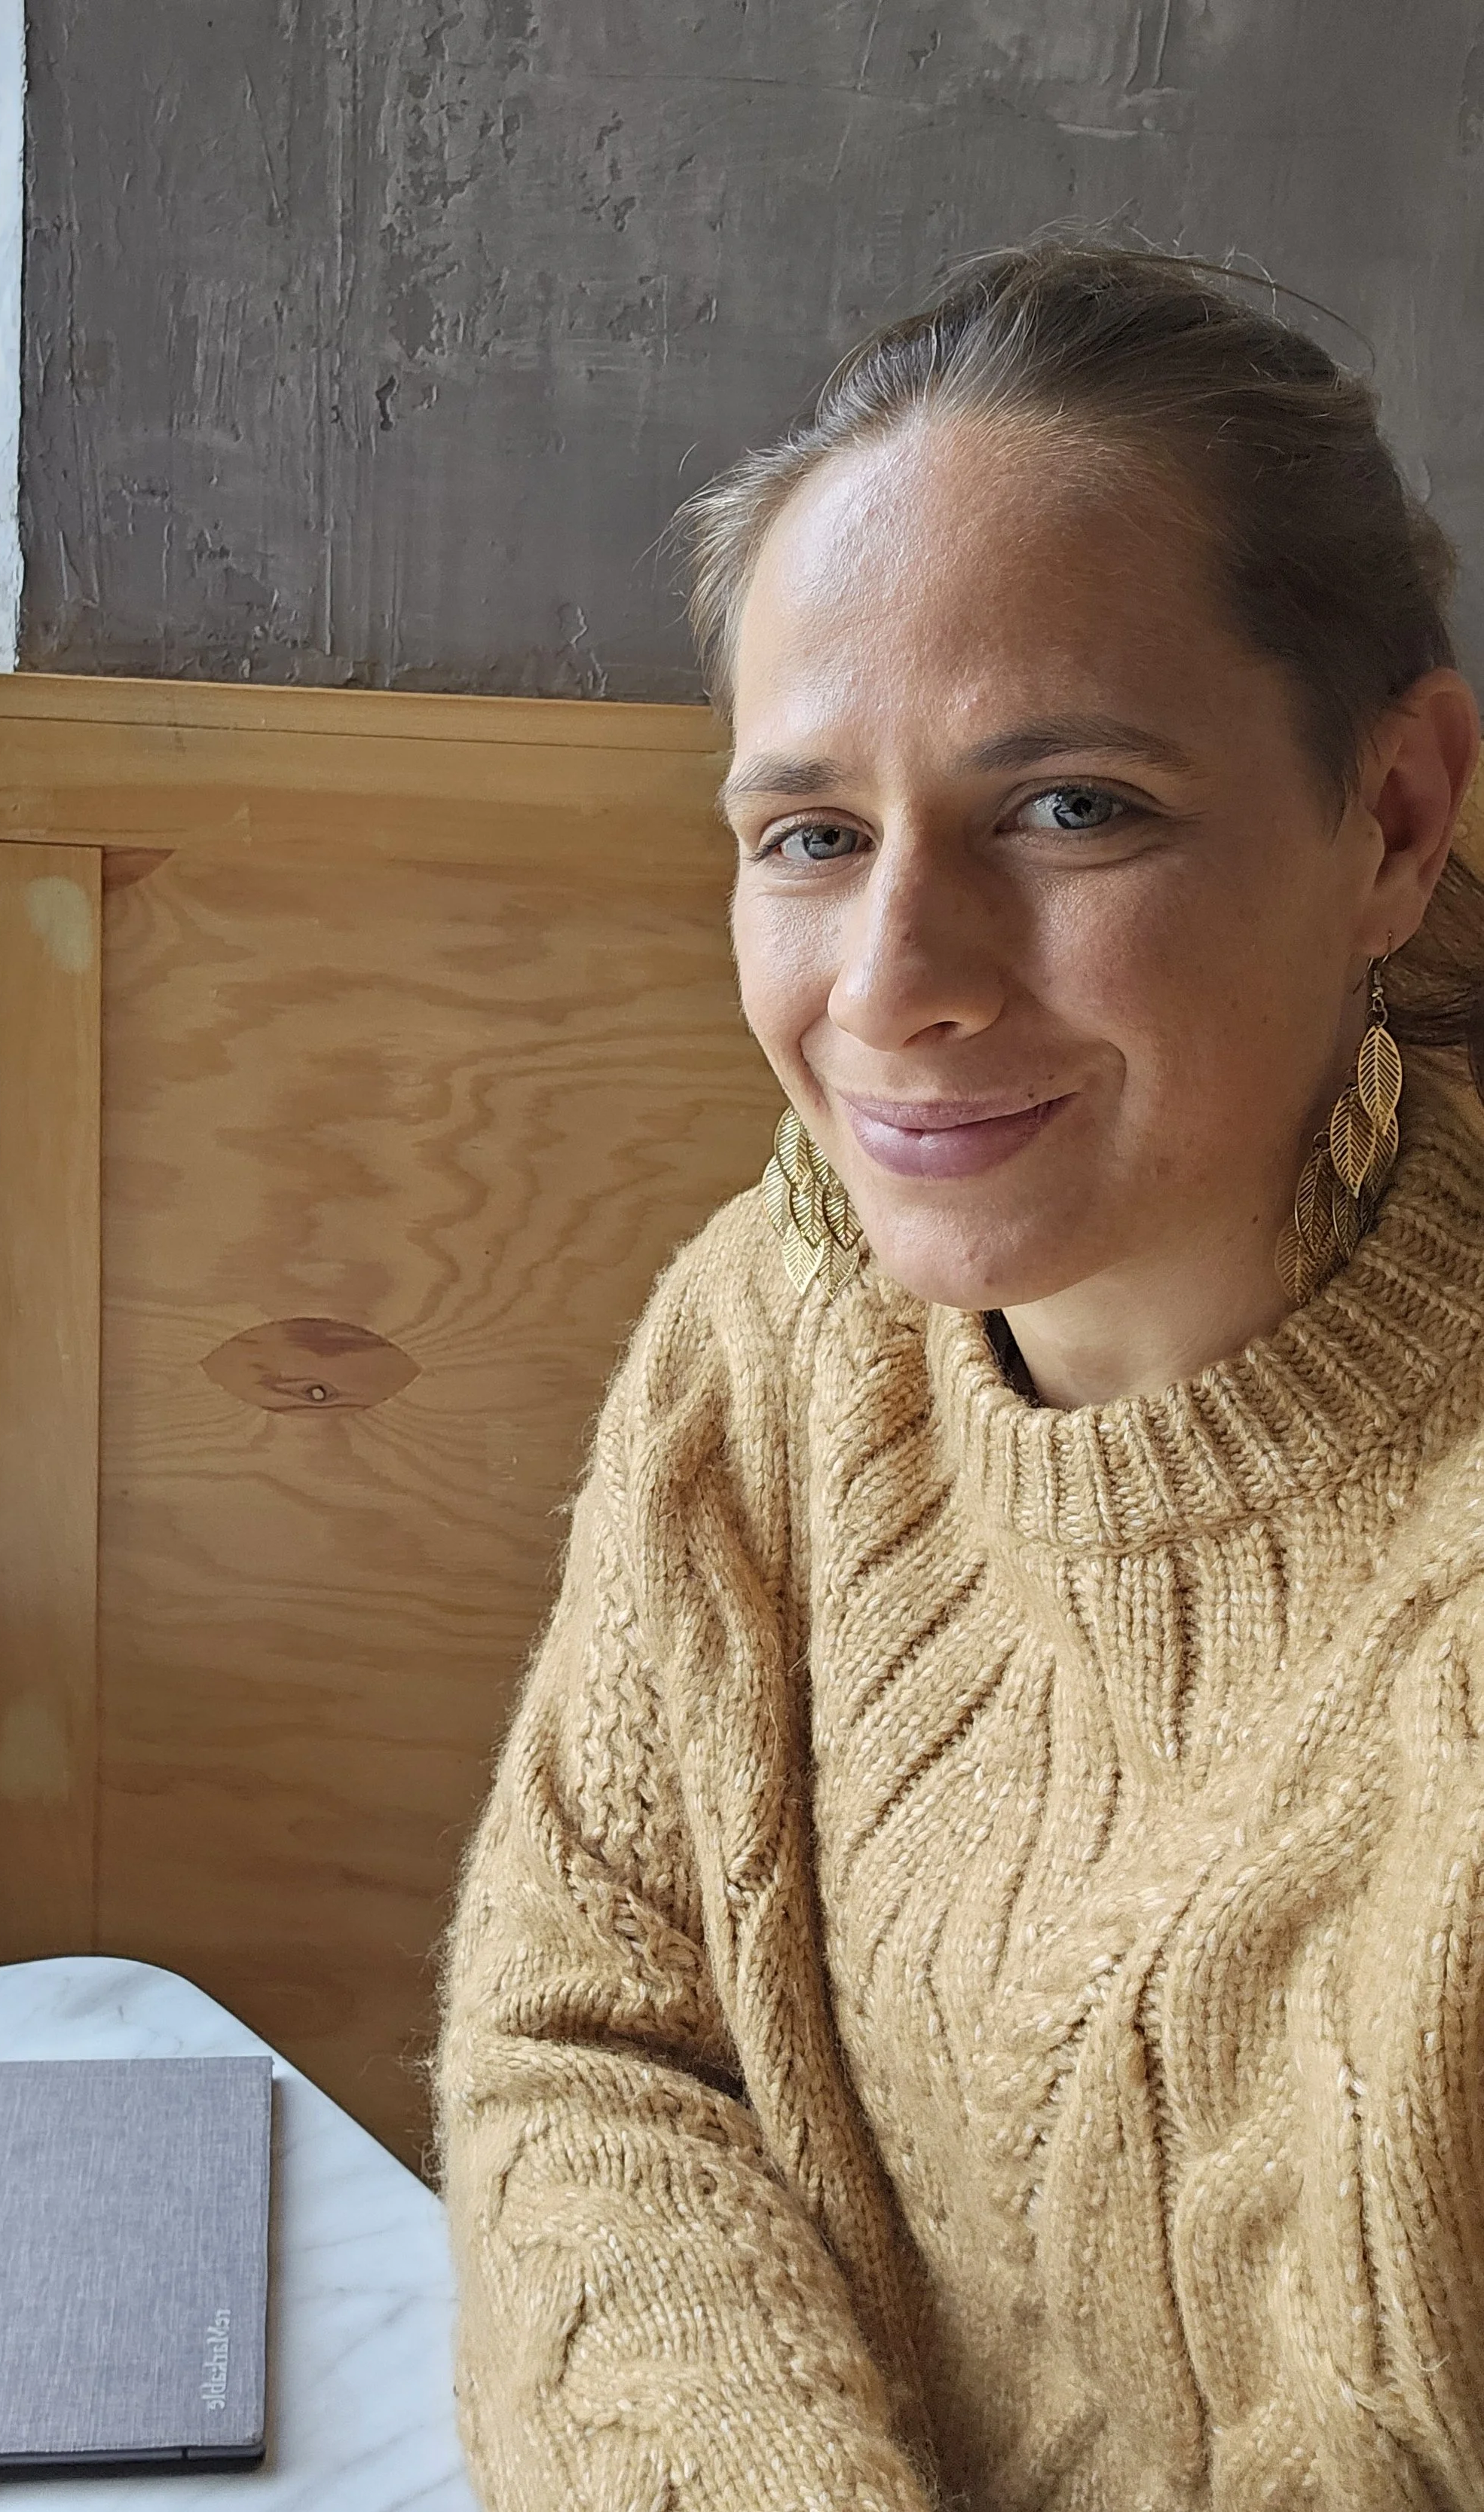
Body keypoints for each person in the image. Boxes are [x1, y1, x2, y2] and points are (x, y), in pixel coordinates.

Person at [434, 240, 1484, 2512]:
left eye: (1068, 807)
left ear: (1393, 817)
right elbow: (589, 2042)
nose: (892, 979)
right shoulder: (766, 1333)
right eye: (808, 835)